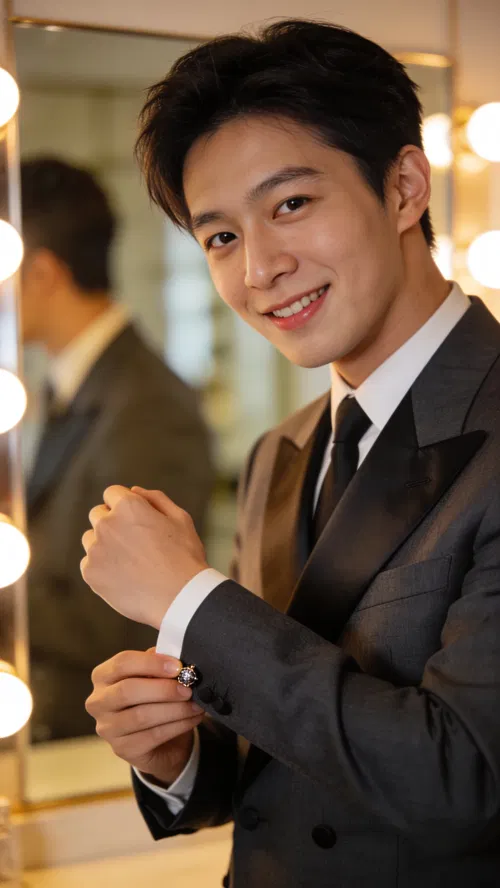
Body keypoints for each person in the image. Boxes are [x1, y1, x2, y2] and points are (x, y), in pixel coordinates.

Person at [82, 20, 500, 888]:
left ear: (404, 188)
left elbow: (466, 780)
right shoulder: (284, 450)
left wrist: (190, 599)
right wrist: (174, 756)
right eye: (221, 237)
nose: (260, 268)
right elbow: (289, 753)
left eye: (291, 204)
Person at [21, 157, 213, 741]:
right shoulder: (69, 386)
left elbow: (126, 614)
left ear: (43, 272)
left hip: (93, 742)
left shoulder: (147, 407)